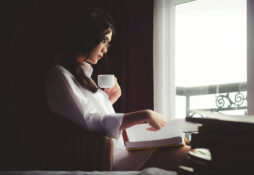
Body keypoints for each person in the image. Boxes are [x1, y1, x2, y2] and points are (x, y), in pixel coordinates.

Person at [45, 8, 190, 171]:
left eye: (108, 43)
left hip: (118, 148)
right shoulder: (60, 76)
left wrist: (109, 100)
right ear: (87, 36)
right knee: (192, 157)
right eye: (104, 40)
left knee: (191, 152)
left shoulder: (82, 75)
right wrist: (145, 114)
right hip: (109, 155)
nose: (105, 49)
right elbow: (92, 122)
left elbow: (91, 116)